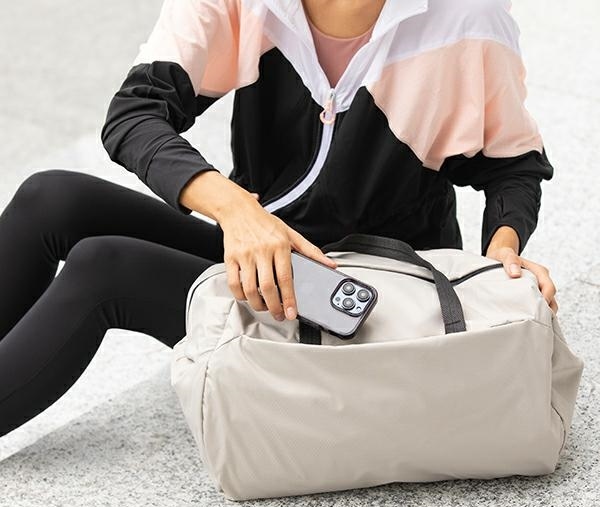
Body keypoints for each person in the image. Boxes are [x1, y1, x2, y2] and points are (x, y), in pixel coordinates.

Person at [0, 0, 558, 437]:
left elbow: (513, 163)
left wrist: (500, 253)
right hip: (266, 260)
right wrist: (236, 211)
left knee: (106, 267)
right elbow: (134, 113)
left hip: (363, 305)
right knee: (52, 198)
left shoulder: (465, 19)